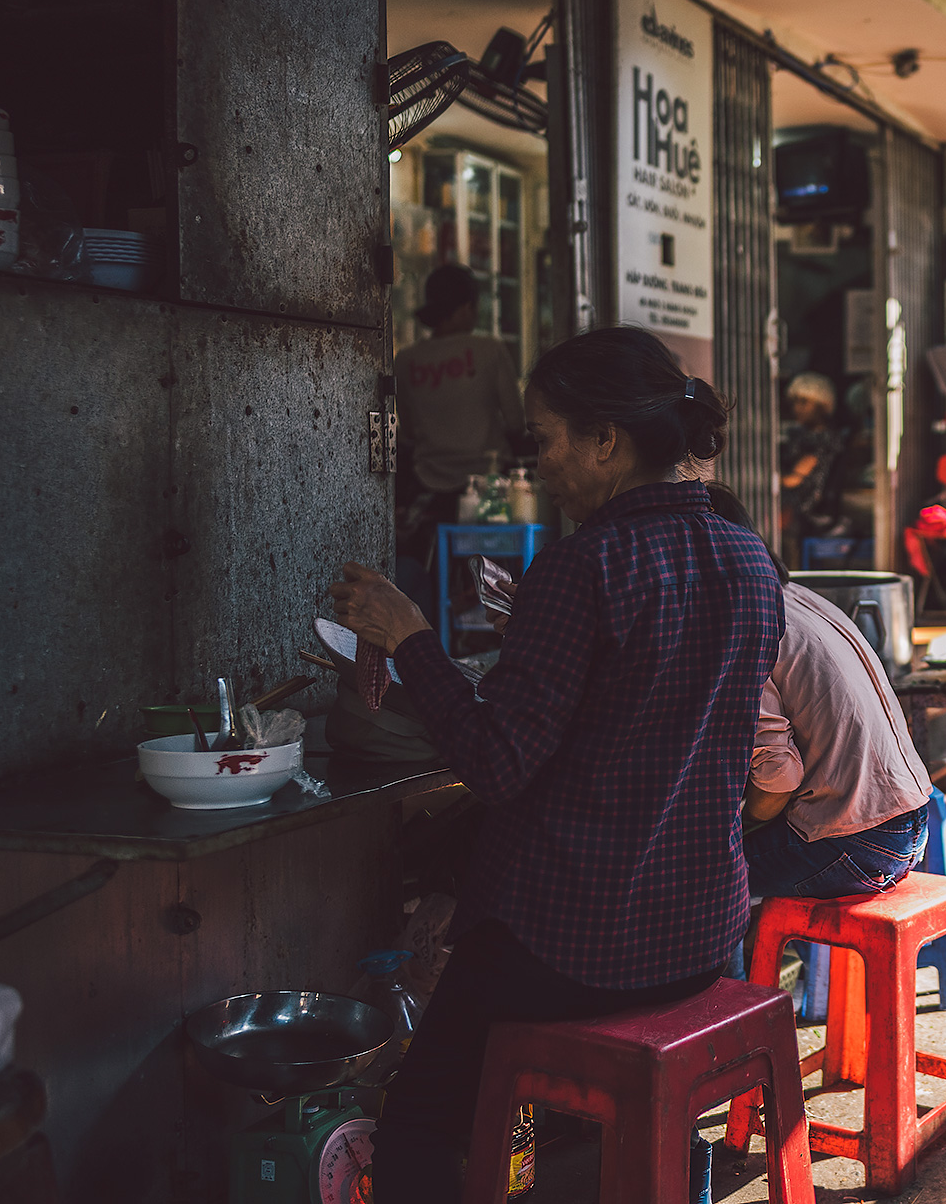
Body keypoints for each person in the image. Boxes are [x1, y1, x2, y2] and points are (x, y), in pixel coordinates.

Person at [329, 328, 785, 1204]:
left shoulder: (583, 565)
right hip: (703, 937)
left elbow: (495, 764)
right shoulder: (750, 557)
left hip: (577, 945)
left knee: (418, 1114)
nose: (539, 465)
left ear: (606, 440)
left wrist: (410, 636)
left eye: (546, 440)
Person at [703, 486, 935, 899]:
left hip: (860, 843)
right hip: (912, 822)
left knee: (692, 877)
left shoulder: (747, 618)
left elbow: (778, 776)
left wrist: (741, 825)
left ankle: (744, 943)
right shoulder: (796, 596)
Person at [393, 265, 527, 561]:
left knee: (435, 570)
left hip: (429, 485)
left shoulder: (405, 360)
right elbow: (516, 421)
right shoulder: (489, 350)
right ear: (467, 307)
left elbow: (409, 431)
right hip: (489, 489)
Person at [780, 371, 841, 548]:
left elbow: (793, 479)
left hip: (807, 510)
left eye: (804, 402)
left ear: (822, 406)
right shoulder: (800, 435)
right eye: (795, 402)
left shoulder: (824, 440)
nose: (796, 408)